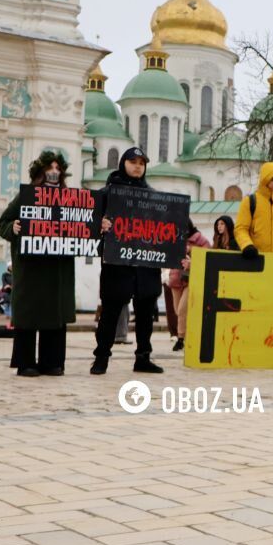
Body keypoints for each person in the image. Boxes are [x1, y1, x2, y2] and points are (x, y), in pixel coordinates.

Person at [0, 151, 76, 377]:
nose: (54, 172)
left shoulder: (69, 197)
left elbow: (83, 224)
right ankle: (25, 362)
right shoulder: (27, 196)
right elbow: (4, 220)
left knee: (54, 313)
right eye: (49, 168)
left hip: (57, 267)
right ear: (40, 172)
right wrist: (12, 228)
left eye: (57, 168)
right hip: (31, 267)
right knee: (30, 313)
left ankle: (52, 362)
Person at [91, 147, 165, 375]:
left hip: (145, 263)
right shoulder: (107, 194)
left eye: (141, 162)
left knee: (145, 314)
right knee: (111, 312)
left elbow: (164, 228)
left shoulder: (153, 197)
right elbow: (88, 226)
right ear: (123, 163)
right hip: (117, 263)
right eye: (132, 161)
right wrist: (99, 226)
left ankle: (143, 357)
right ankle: (101, 357)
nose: (137, 166)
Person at [167, 221, 210, 352]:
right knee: (177, 310)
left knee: (182, 309)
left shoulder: (200, 240)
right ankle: (187, 337)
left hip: (191, 279)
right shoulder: (175, 238)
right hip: (176, 277)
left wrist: (191, 251)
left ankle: (181, 339)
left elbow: (207, 256)